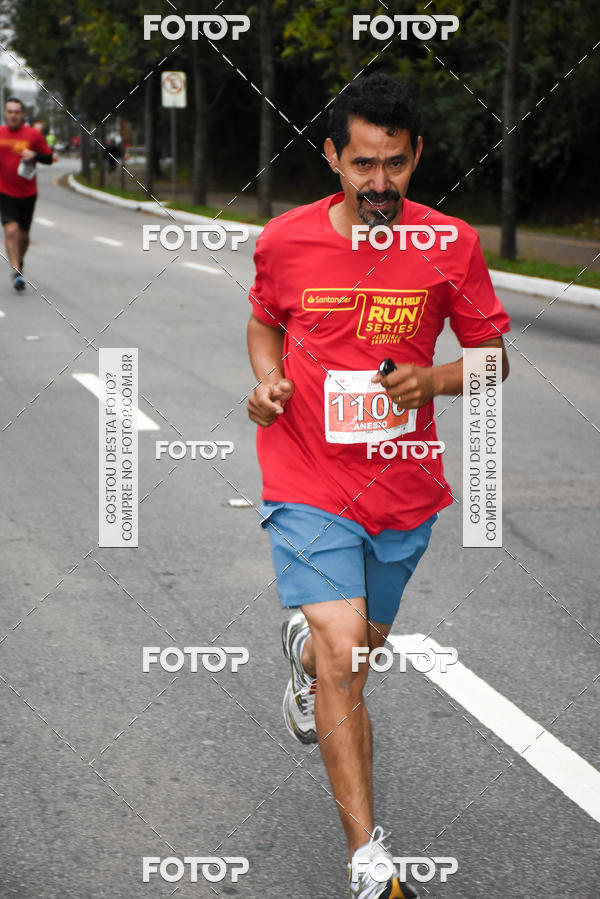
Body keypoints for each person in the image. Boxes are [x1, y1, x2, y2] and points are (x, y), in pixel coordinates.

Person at [246, 72, 510, 899]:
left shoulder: (451, 245)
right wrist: (267, 383)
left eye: (395, 163)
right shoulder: (285, 241)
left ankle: (308, 666)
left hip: (402, 490)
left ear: (417, 156)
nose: (379, 183)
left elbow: (494, 359)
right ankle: (370, 860)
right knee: (341, 643)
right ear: (332, 155)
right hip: (306, 477)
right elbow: (263, 321)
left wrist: (433, 382)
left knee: (354, 660)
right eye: (363, 163)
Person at [0, 97, 53, 291]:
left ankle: (19, 262)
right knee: (11, 231)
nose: (13, 115)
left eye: (17, 112)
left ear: (22, 114)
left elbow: (48, 158)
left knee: (23, 236)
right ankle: (15, 271)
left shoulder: (33, 135)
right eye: (10, 111)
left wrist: (35, 155)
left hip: (28, 193)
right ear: (5, 114)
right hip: (4, 191)